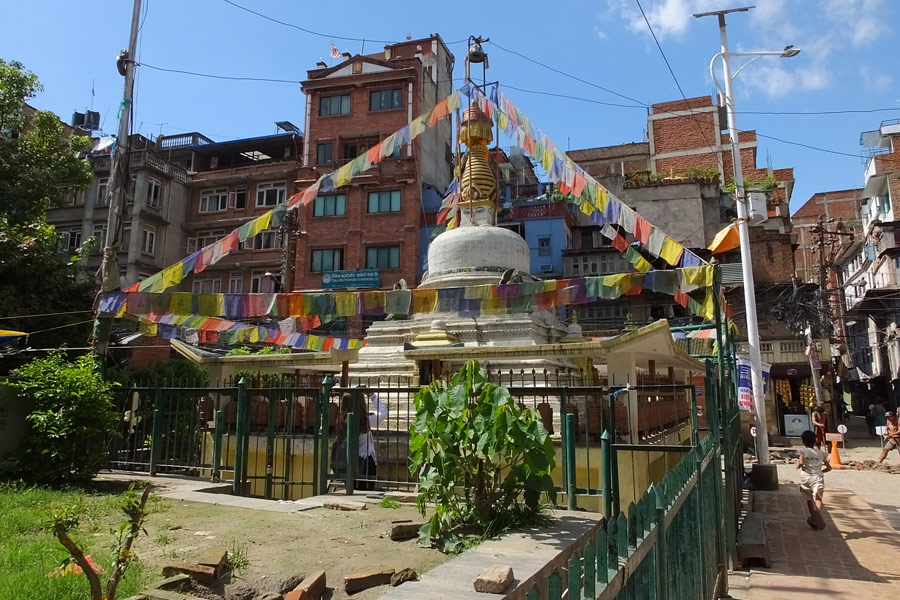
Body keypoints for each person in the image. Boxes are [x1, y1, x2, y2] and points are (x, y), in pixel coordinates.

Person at [339, 391, 387, 491]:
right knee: (366, 490)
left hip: (348, 461)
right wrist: (372, 396)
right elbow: (383, 412)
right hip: (366, 461)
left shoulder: (341, 420)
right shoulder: (365, 420)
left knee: (352, 489)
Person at [797, 429, 832, 530]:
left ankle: (814, 517)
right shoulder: (821, 453)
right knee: (818, 498)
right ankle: (816, 515)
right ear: (815, 440)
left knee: (808, 499)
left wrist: (797, 464)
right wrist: (821, 472)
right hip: (817, 478)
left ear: (803, 441)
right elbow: (829, 468)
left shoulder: (802, 451)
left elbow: (801, 463)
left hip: (805, 478)